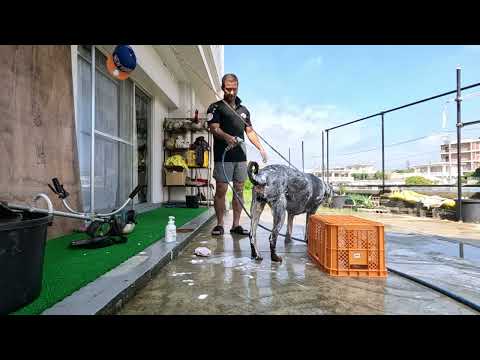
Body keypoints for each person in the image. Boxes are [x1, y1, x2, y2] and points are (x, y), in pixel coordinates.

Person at [207, 73, 267, 236]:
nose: (231, 93)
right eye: (228, 89)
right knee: (221, 188)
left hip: (240, 157)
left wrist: (260, 147)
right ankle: (220, 224)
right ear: (222, 88)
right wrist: (227, 138)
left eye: (234, 89)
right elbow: (214, 128)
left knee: (239, 189)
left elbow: (250, 131)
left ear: (237, 87)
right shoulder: (215, 107)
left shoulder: (244, 110)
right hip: (223, 155)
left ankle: (235, 225)